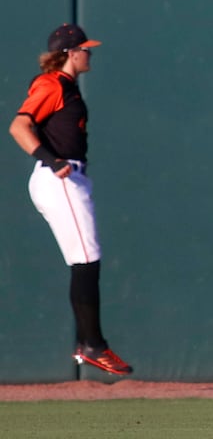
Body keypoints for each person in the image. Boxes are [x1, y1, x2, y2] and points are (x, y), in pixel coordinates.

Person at [9, 23, 133, 376]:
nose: (89, 52)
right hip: (59, 177)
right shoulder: (51, 84)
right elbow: (19, 126)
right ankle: (93, 344)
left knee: (85, 261)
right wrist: (51, 160)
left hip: (69, 177)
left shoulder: (67, 87)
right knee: (86, 259)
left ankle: (89, 343)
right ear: (70, 53)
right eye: (84, 48)